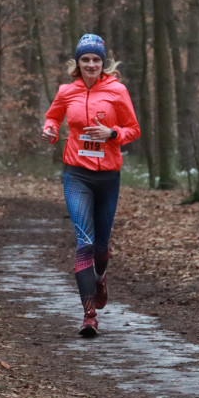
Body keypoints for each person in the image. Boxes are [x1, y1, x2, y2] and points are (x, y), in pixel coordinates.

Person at [42, 33, 140, 337]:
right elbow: (52, 118)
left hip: (108, 176)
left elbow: (133, 129)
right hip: (76, 174)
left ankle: (100, 277)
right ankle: (88, 316)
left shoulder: (117, 91)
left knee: (100, 248)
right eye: (85, 59)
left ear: (103, 63)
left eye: (96, 59)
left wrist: (112, 134)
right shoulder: (66, 91)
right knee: (83, 241)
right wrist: (49, 131)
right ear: (78, 63)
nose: (91, 64)